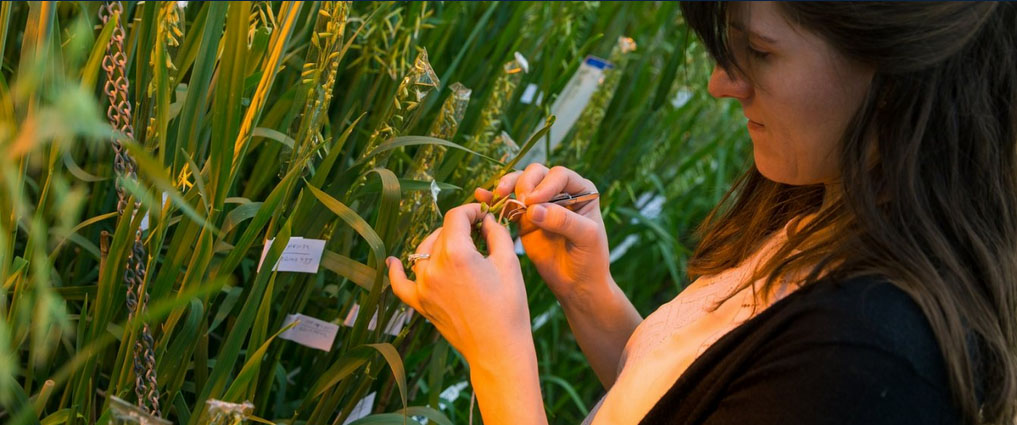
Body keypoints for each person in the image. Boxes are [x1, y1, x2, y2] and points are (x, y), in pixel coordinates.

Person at [384, 2, 1017, 424]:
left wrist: (499, 358)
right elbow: (703, 400)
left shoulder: (874, 360)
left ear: (898, 66)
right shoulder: (822, 202)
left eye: (760, 52)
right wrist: (588, 293)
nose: (721, 82)